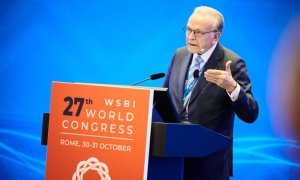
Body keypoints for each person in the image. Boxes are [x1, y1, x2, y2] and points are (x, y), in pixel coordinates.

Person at [163, 6, 259, 180]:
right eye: (189, 29)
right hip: (172, 156)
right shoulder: (179, 55)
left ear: (216, 35)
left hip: (208, 163)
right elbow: (165, 100)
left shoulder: (232, 63)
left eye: (198, 32)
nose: (190, 36)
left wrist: (232, 88)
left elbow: (251, 114)